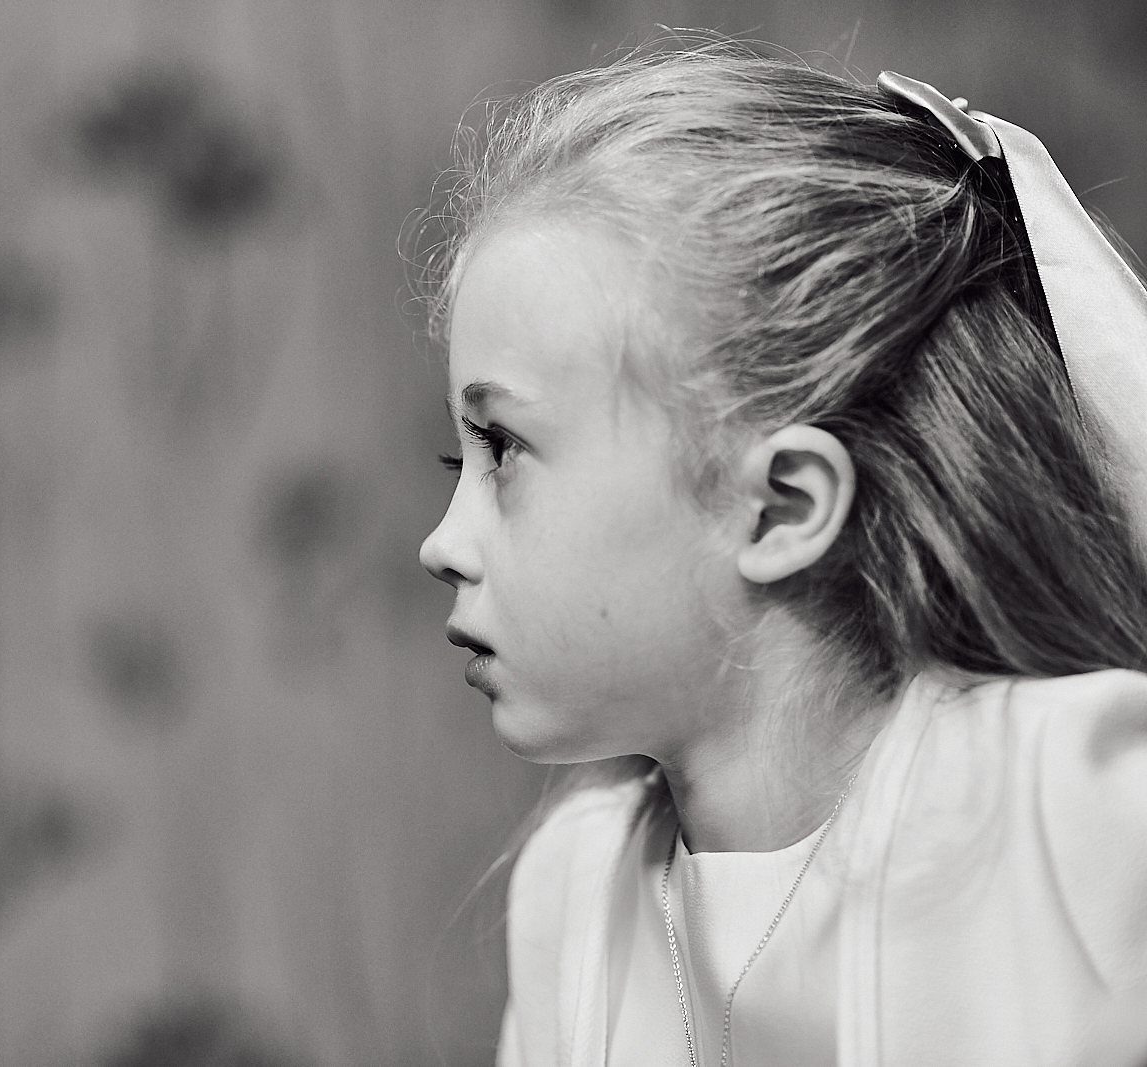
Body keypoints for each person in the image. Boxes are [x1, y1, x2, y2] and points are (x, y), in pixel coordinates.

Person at [416, 43, 1147, 1067]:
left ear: (779, 507)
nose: (439, 544)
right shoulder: (573, 892)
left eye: (503, 449)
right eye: (461, 457)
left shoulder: (1075, 804)